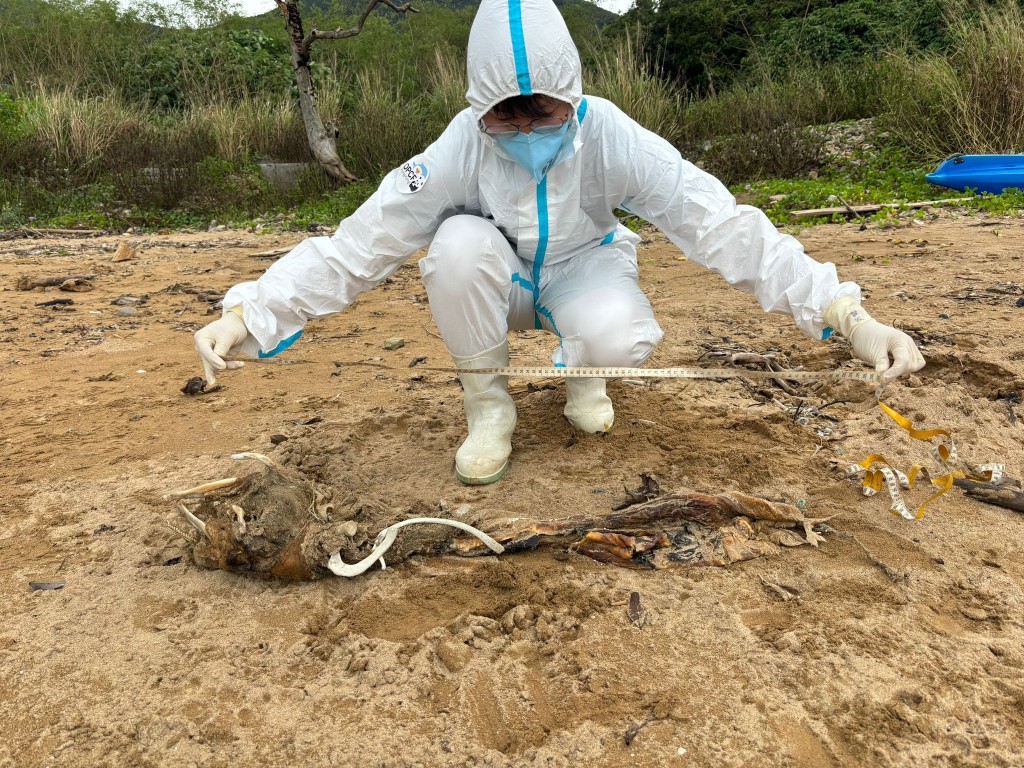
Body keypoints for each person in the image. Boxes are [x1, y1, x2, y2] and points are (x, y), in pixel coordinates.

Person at [194, 0, 925, 486]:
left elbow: (722, 223)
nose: (524, 131)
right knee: (452, 247)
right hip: (500, 281)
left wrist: (846, 314)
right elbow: (359, 245)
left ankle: (585, 369)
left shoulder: (612, 135)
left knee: (619, 332)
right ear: (480, 109)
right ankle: (490, 408)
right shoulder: (457, 147)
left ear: (570, 96)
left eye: (541, 112)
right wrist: (248, 313)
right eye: (504, 118)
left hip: (587, 269)